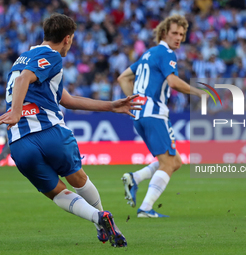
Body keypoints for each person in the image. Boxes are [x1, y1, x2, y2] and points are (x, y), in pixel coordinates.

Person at [0, 14, 141, 247]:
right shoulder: (51, 56)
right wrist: (16, 111)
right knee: (78, 178)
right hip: (51, 132)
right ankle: (103, 219)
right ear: (67, 39)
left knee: (56, 192)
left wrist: (110, 106)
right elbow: (25, 79)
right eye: (72, 39)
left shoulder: (22, 59)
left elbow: (66, 99)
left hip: (20, 143)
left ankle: (99, 220)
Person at [118, 15, 205, 218]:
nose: (179, 38)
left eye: (182, 34)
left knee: (175, 161)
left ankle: (135, 177)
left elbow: (122, 78)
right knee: (168, 163)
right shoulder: (166, 53)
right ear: (164, 33)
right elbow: (173, 82)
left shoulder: (148, 54)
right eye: (175, 33)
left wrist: (133, 101)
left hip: (140, 115)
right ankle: (146, 209)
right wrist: (199, 92)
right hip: (155, 114)